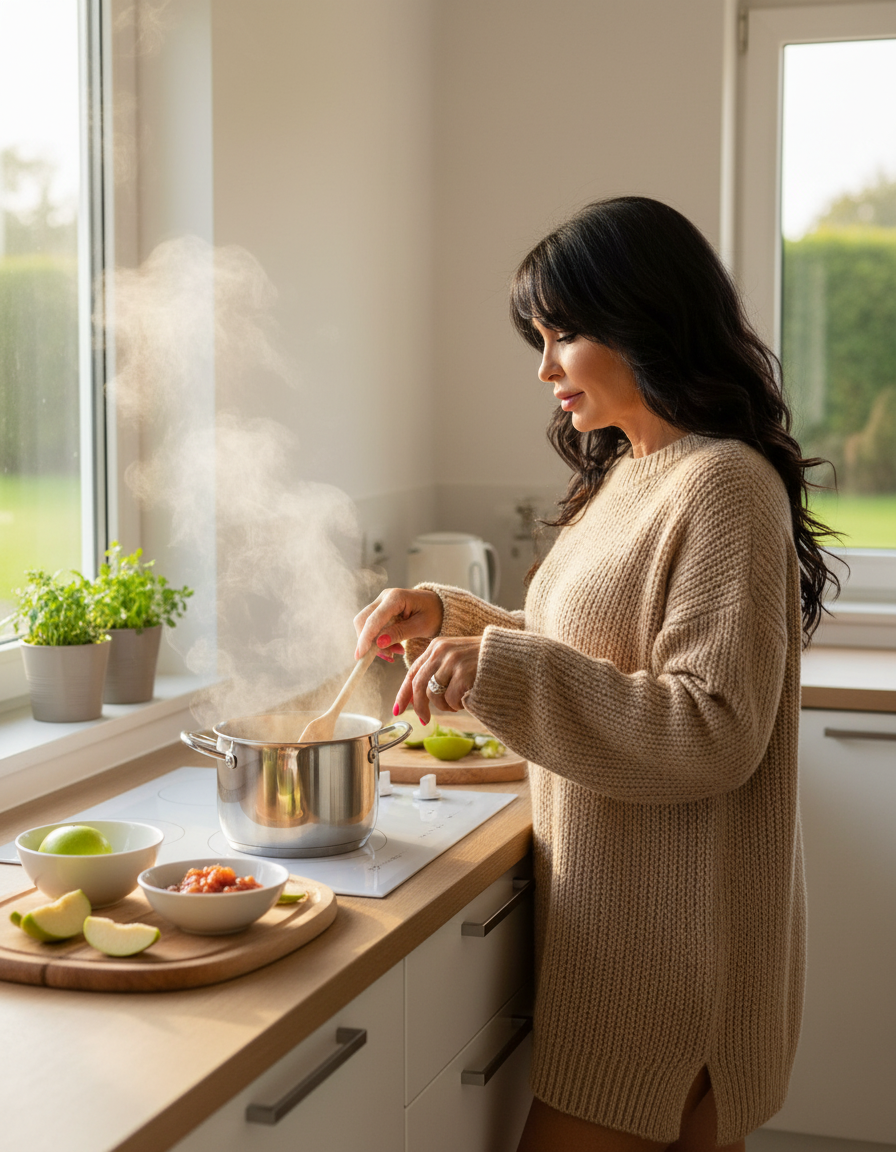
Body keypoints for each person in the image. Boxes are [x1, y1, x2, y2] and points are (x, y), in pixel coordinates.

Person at [354, 197, 839, 1152]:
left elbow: (710, 731)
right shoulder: (631, 469)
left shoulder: (723, 485)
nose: (544, 369)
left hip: (670, 958)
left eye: (564, 334)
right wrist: (454, 618)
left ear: (645, 320)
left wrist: (495, 664)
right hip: (623, 937)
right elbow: (591, 655)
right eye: (539, 338)